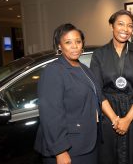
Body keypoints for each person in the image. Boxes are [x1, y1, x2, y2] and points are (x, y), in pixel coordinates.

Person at [90, 10, 133, 164]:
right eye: (120, 24)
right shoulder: (99, 54)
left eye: (130, 26)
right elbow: (97, 90)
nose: (125, 29)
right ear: (112, 26)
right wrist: (115, 119)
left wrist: (127, 119)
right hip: (108, 113)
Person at [34, 23, 101, 164]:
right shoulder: (53, 71)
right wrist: (60, 151)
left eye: (78, 41)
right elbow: (51, 114)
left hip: (86, 142)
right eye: (68, 42)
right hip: (69, 148)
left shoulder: (83, 68)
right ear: (59, 46)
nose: (75, 46)